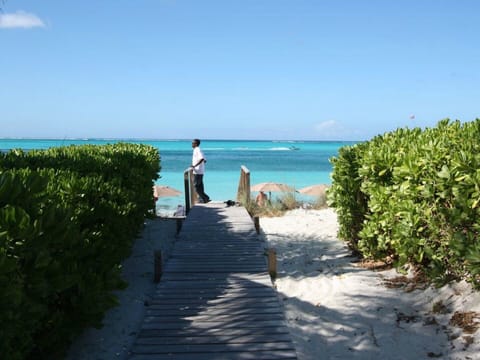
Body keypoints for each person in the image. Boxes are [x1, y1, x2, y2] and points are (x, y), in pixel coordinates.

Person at [191, 138, 211, 203]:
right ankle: (203, 199)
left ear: (196, 144)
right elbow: (205, 160)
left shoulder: (197, 149)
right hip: (199, 171)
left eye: (193, 143)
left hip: (197, 171)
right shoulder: (197, 150)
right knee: (200, 186)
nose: (192, 144)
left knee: (196, 186)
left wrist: (195, 166)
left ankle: (205, 198)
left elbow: (202, 159)